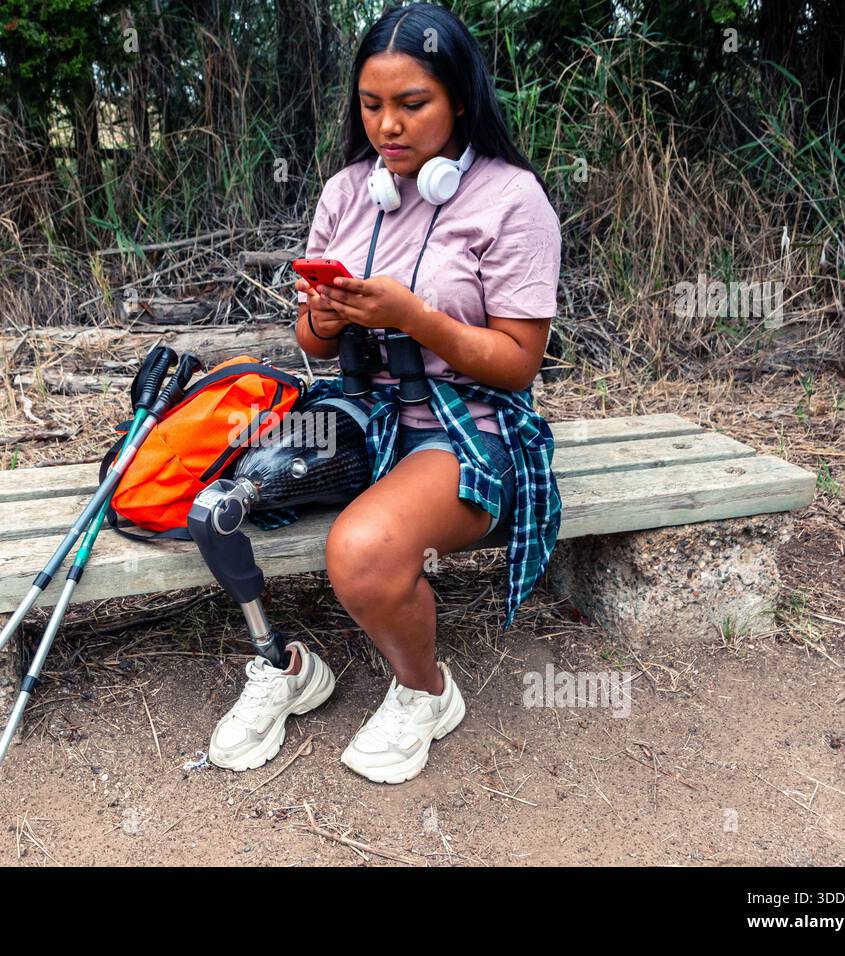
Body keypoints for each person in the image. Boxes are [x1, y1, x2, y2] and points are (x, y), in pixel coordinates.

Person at [209, 2, 562, 784]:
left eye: (412, 105)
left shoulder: (512, 200)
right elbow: (312, 347)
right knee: (215, 485)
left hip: (468, 427)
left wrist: (415, 318)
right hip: (364, 414)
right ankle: (287, 665)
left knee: (363, 554)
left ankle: (425, 691)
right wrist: (324, 316)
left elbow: (516, 365)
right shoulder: (347, 192)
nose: (388, 128)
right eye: (372, 106)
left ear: (460, 100)